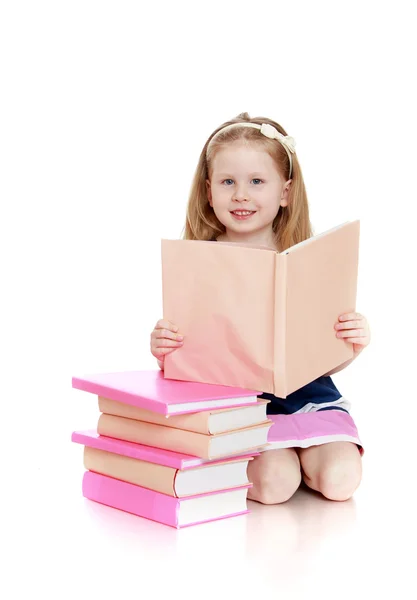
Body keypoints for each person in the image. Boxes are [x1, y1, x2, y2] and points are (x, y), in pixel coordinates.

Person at [150, 112, 371, 504]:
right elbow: (187, 356)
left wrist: (350, 345)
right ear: (208, 190)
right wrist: (164, 346)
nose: (241, 195)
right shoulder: (198, 262)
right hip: (241, 408)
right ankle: (283, 459)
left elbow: (321, 357)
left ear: (284, 192)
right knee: (273, 485)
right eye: (228, 182)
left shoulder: (305, 259)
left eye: (256, 182)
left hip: (310, 398)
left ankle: (309, 456)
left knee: (341, 480)